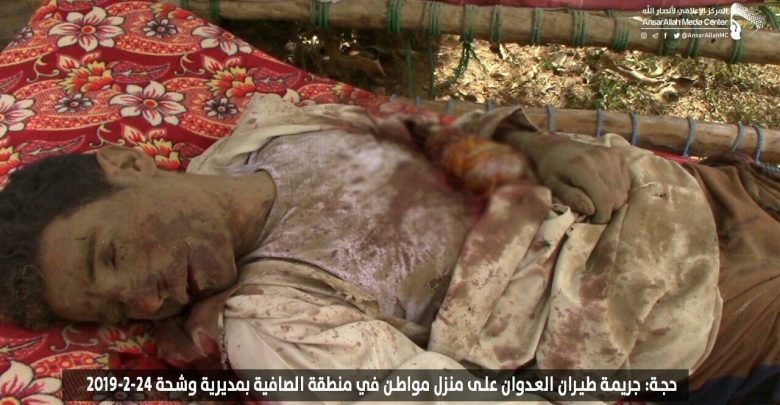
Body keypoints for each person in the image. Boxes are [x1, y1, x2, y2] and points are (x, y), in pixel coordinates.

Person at [0, 95, 777, 403]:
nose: (145, 298)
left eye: (110, 257)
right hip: (699, 314)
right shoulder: (275, 325)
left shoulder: (274, 131)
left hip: (692, 190)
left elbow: (431, 135)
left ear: (126, 164)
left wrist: (535, 145)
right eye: (117, 309)